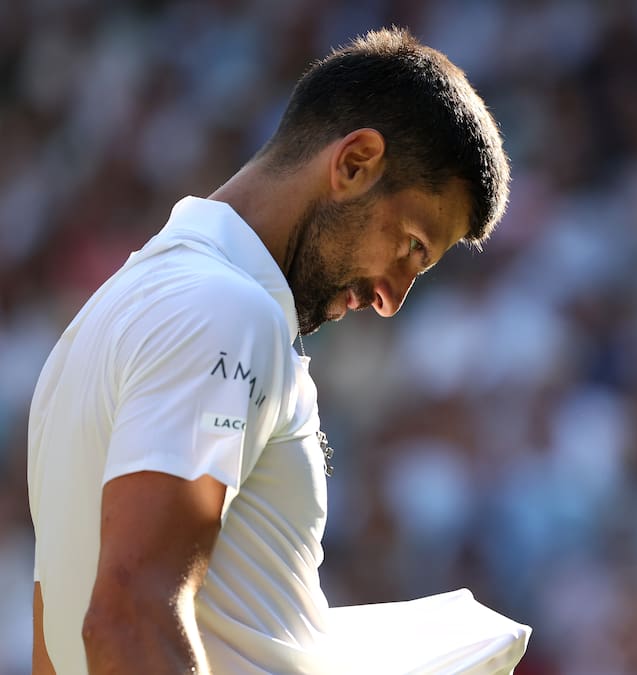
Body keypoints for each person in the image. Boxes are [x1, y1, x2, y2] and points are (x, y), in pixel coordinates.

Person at [27, 26, 512, 674]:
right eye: (412, 247)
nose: (394, 296)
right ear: (354, 163)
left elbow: (57, 646)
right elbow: (127, 617)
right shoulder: (226, 312)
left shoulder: (105, 317)